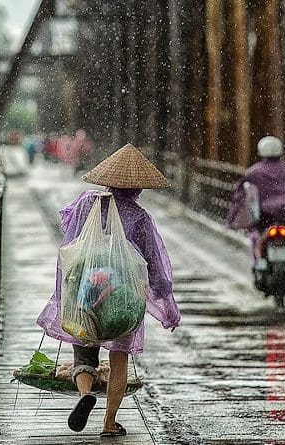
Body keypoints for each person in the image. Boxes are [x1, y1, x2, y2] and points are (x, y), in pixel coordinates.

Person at [37, 143, 181, 437]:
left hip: (84, 291)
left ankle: (84, 394)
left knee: (84, 353)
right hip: (122, 298)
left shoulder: (86, 202)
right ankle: (109, 422)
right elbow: (154, 264)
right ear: (138, 188)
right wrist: (166, 303)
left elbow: (68, 229)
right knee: (119, 358)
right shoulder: (140, 218)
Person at [227, 136, 285, 261]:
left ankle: (257, 263)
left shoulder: (254, 172)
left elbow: (240, 196)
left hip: (264, 218)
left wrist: (232, 220)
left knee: (255, 237)